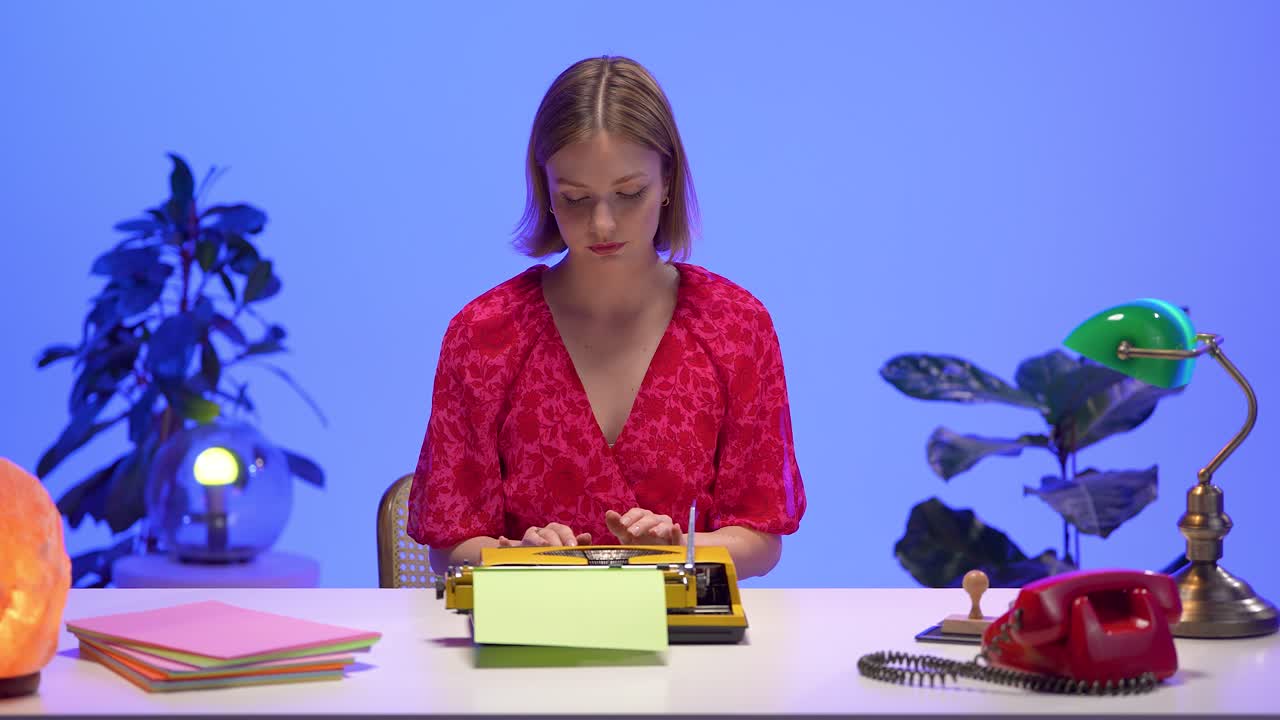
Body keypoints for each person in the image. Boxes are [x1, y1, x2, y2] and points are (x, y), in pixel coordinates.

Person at [407, 55, 804, 580]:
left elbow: (761, 536)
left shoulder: (735, 327)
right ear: (544, 190)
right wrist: (521, 556)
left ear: (668, 181)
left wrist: (677, 545)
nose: (602, 222)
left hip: (689, 644)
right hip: (528, 645)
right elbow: (448, 545)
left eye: (629, 193)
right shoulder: (484, 335)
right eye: (574, 198)